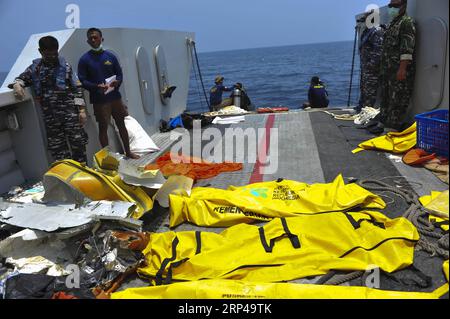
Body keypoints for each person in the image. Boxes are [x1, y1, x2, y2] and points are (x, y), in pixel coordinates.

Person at [10, 36, 88, 163]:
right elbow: (22, 78)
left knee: (79, 146)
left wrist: (82, 111)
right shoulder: (35, 69)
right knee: (59, 153)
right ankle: (66, 179)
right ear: (40, 51)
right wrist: (17, 84)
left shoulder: (66, 66)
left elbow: (76, 89)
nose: (52, 57)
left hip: (71, 116)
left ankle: (84, 177)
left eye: (55, 53)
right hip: (51, 119)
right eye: (48, 54)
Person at [78, 28, 139, 159]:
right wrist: (96, 86)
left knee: (121, 124)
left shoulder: (110, 57)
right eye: (90, 38)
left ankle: (128, 152)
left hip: (115, 98)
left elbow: (119, 74)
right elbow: (82, 80)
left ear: (102, 39)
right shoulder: (84, 59)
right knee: (103, 127)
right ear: (87, 41)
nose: (93, 40)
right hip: (99, 100)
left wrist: (117, 82)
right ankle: (108, 158)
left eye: (95, 37)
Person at [379, 0, 416, 131]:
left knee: (398, 101)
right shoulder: (393, 24)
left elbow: (407, 49)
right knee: (386, 99)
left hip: (398, 71)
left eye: (394, 6)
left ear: (403, 5)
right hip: (388, 71)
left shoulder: (406, 22)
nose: (391, 8)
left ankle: (392, 130)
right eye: (390, 6)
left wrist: (402, 69)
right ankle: (383, 124)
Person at [357, 12, 385, 113]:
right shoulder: (367, 31)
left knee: (370, 93)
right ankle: (363, 110)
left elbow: (378, 51)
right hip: (366, 69)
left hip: (372, 70)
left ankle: (368, 114)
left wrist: (371, 66)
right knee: (365, 91)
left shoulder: (377, 31)